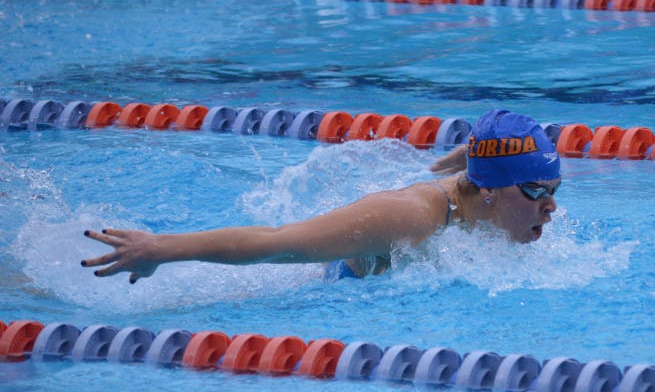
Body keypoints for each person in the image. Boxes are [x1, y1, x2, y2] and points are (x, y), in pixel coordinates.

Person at [81, 108, 562, 283]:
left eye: (555, 190)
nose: (551, 206)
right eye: (537, 190)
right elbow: (279, 242)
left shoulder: (487, 192)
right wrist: (159, 250)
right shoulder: (409, 218)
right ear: (489, 192)